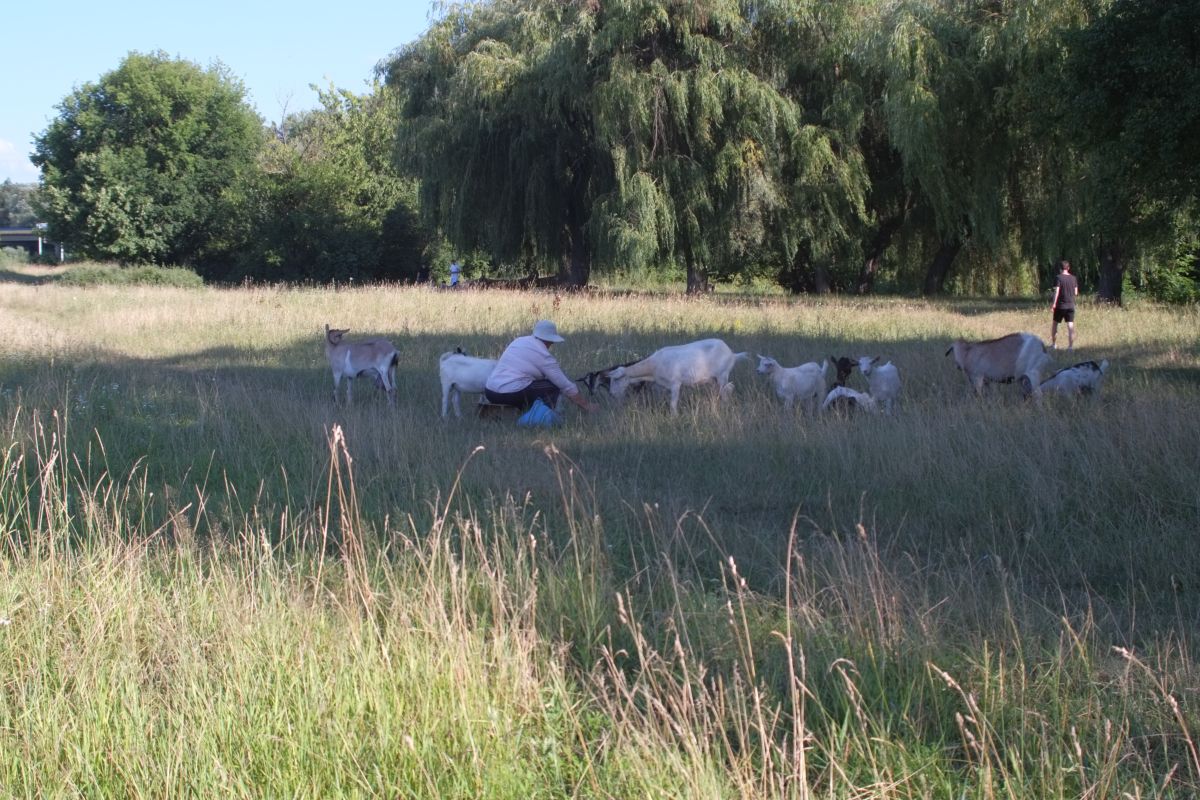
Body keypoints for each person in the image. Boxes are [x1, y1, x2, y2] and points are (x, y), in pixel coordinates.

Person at [485, 320, 598, 414]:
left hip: (490, 391)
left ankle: (521, 410)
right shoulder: (544, 356)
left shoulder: (519, 341)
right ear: (549, 340)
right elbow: (565, 385)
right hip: (510, 394)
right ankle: (545, 415)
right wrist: (586, 405)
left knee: (538, 385)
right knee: (554, 386)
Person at [1050, 259, 1080, 350]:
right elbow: (1075, 292)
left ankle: (1054, 345)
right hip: (1070, 305)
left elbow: (1057, 292)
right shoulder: (1073, 278)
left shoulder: (1058, 278)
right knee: (1070, 326)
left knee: (1055, 324)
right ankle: (1070, 347)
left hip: (1060, 306)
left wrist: (1053, 304)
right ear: (1068, 268)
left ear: (1060, 268)